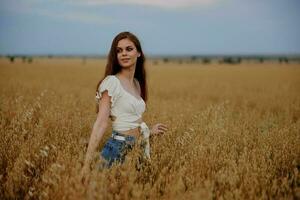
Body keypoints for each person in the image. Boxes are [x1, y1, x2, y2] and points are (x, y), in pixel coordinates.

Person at [80, 31, 168, 182]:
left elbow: (133, 120)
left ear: (139, 53)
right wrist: (86, 165)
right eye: (119, 50)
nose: (124, 54)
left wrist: (149, 132)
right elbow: (101, 123)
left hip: (138, 149)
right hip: (117, 149)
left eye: (129, 49)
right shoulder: (111, 82)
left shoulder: (137, 84)